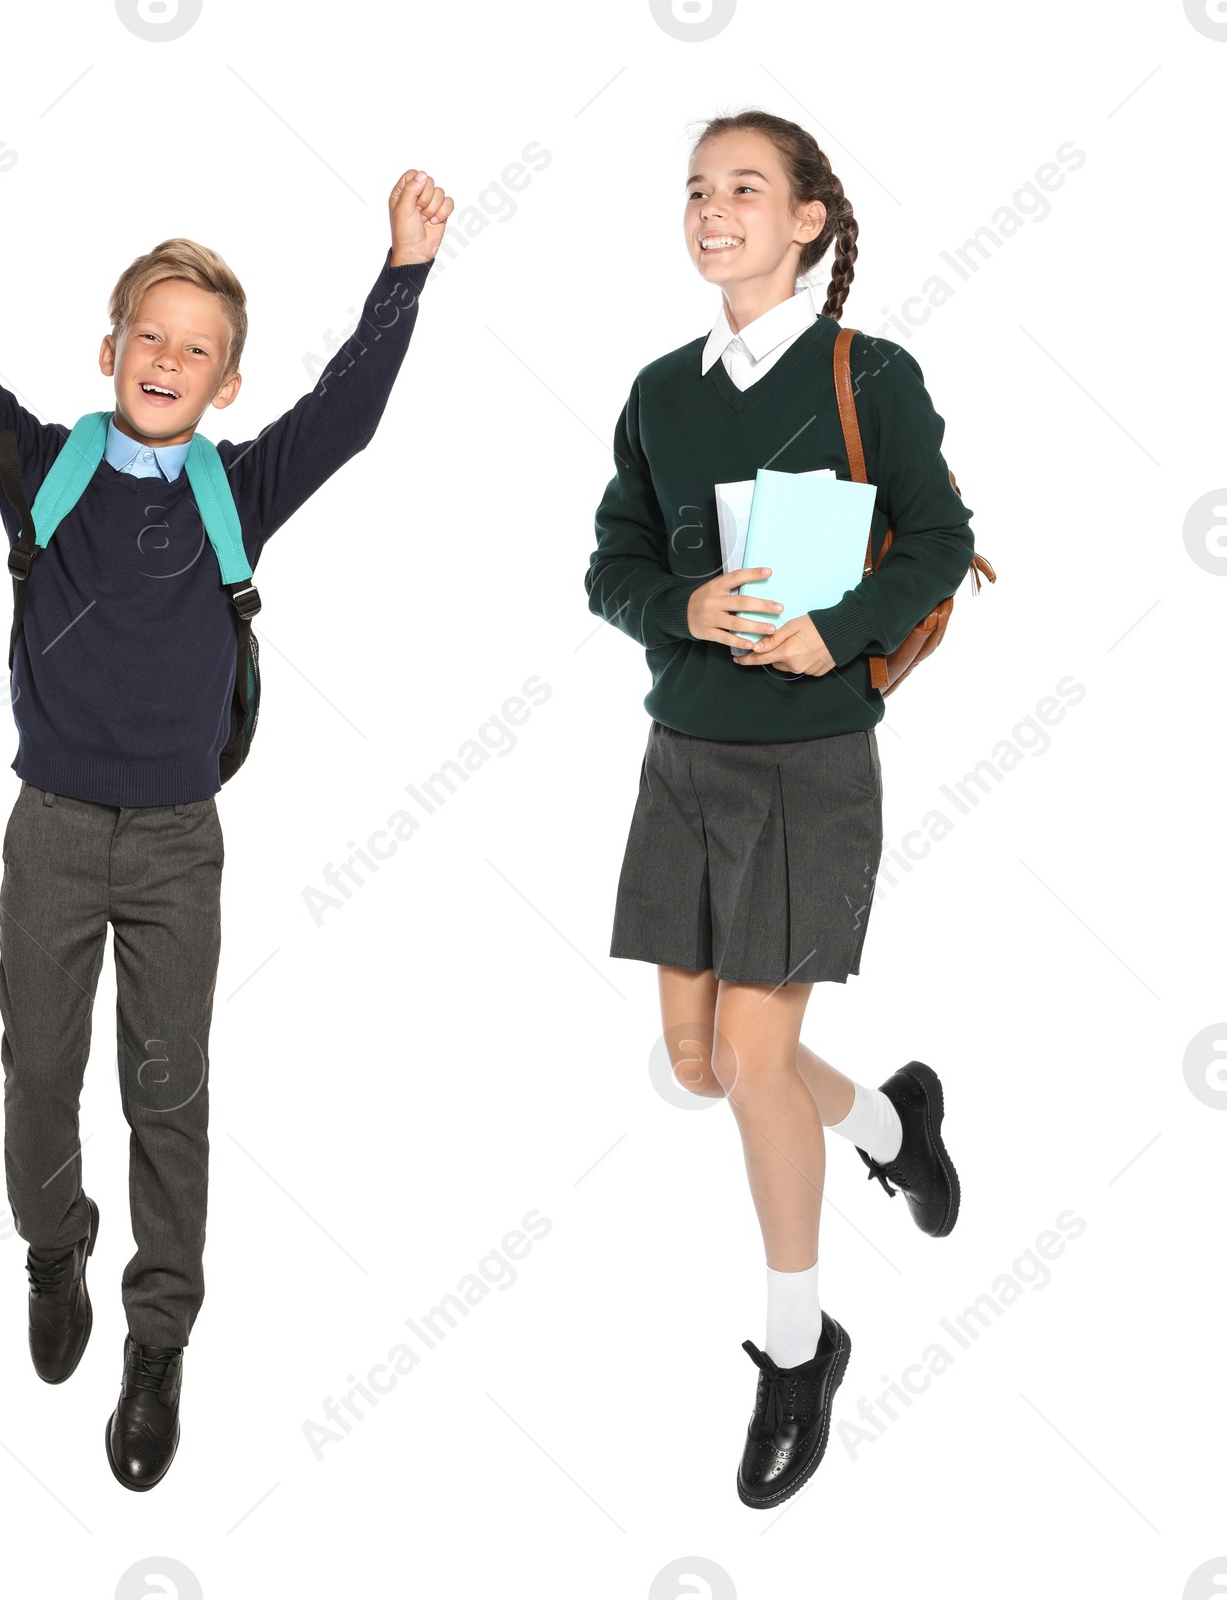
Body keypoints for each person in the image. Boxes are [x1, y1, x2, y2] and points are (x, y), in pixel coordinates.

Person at [0, 119, 451, 1491]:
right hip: (55, 829)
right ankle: (55, 1242)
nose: (166, 358)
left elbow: (349, 415)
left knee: (169, 1091)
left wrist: (406, 269)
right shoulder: (44, 469)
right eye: (149, 332)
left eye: (196, 347)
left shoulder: (237, 488)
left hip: (181, 842)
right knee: (36, 1079)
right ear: (110, 347)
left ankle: (157, 1340)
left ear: (225, 379)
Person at [584, 109, 972, 1509]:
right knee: (701, 1064)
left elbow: (941, 537)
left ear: (808, 220)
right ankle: (888, 1125)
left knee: (752, 1063)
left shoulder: (873, 373)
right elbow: (610, 564)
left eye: (746, 186)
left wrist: (842, 629)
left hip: (811, 758)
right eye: (696, 187)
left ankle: (798, 1350)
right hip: (683, 755)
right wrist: (678, 601)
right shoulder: (658, 393)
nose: (713, 207)